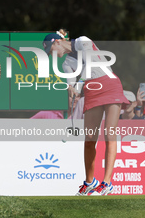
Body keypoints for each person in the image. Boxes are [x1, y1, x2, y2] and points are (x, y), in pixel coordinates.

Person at [43, 29, 129, 196]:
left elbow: (91, 65)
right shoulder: (67, 63)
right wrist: (71, 93)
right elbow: (72, 85)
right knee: (89, 139)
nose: (52, 55)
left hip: (109, 85)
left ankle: (107, 183)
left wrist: (78, 85)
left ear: (57, 42)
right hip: (92, 92)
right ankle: (89, 183)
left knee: (109, 134)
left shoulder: (82, 40)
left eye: (51, 50)